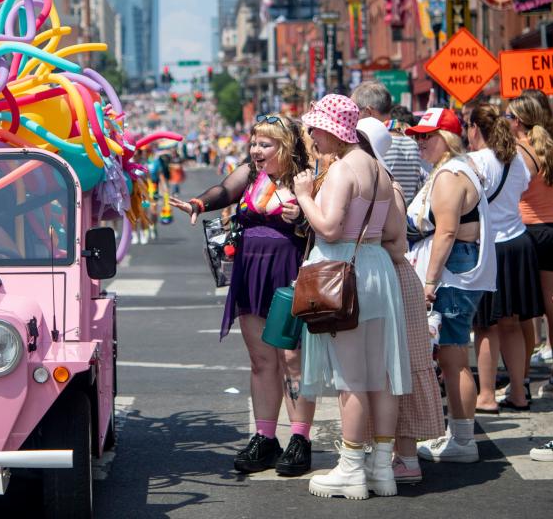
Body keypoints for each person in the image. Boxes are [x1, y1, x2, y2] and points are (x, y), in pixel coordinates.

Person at [169, 114, 315, 477]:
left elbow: (324, 224)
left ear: (285, 147)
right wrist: (198, 204)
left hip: (288, 275)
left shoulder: (305, 179)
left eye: (265, 144)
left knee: (291, 360)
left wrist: (301, 217)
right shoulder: (251, 173)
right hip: (251, 273)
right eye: (254, 143)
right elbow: (223, 190)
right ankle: (266, 438)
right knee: (261, 359)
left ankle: (300, 439)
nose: (256, 150)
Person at [294, 95, 410, 500]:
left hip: (345, 272)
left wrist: (305, 194)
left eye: (316, 129)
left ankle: (351, 469)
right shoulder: (378, 170)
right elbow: (397, 231)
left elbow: (327, 228)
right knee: (379, 376)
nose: (312, 136)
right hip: (377, 268)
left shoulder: (343, 170)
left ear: (333, 131)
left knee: (351, 379)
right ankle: (381, 468)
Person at [405, 108, 496, 463]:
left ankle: (462, 440)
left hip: (453, 269)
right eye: (417, 135)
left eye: (427, 135)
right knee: (451, 354)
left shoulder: (450, 174)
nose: (419, 141)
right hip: (457, 265)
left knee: (454, 356)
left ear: (448, 137)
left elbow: (445, 231)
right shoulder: (454, 169)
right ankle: (458, 437)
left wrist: (430, 280)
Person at [356, 117, 443, 486]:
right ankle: (393, 455)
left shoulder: (385, 185)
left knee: (399, 368)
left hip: (393, 278)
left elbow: (398, 243)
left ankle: (405, 458)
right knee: (386, 368)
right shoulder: (373, 180)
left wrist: (357, 244)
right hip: (385, 278)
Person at [465, 103, 540, 413]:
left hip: (489, 246)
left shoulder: (474, 161)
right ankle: (519, 392)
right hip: (517, 242)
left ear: (474, 128)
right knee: (511, 324)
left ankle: (486, 395)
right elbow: (522, 190)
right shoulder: (517, 159)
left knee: (486, 326)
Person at [507, 96, 553, 401]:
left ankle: (523, 379)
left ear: (518, 121)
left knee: (522, 314)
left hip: (527, 231)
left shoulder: (518, 152)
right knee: (552, 312)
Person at [351, 82, 425, 202]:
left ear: (369, 112)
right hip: (406, 216)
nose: (351, 118)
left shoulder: (369, 145)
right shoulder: (412, 143)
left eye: (354, 112)